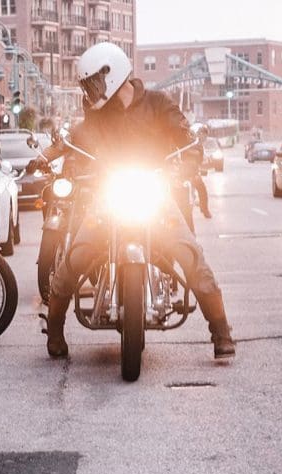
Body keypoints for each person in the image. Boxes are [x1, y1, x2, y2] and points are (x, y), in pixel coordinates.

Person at [26, 42, 236, 360]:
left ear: (112, 74)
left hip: (154, 194)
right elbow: (74, 139)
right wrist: (46, 155)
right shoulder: (95, 117)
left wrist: (190, 158)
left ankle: (221, 332)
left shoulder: (158, 104)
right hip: (108, 198)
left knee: (191, 255)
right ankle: (54, 332)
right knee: (73, 261)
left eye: (94, 82)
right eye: (87, 85)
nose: (91, 91)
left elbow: (185, 137)